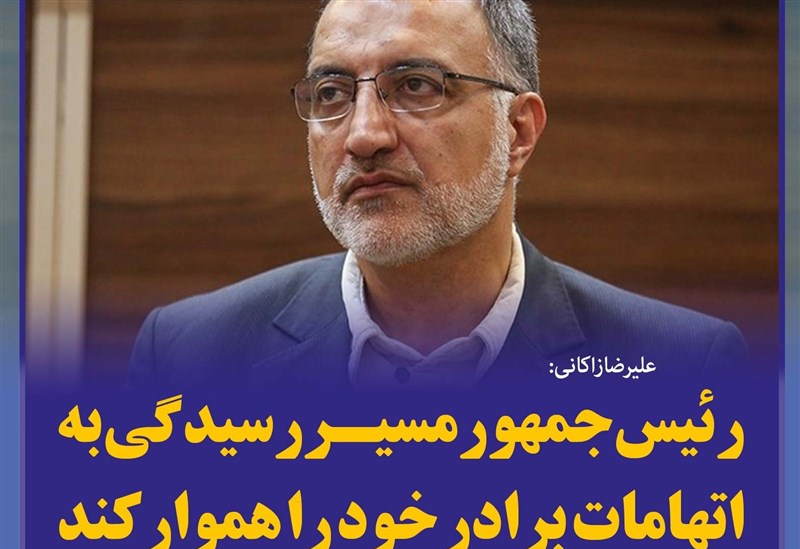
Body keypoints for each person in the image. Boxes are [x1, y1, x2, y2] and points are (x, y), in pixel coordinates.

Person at [129, 0, 747, 389]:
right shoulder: (186, 357)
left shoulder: (684, 371)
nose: (364, 135)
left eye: (417, 85)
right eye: (332, 94)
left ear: (519, 132)